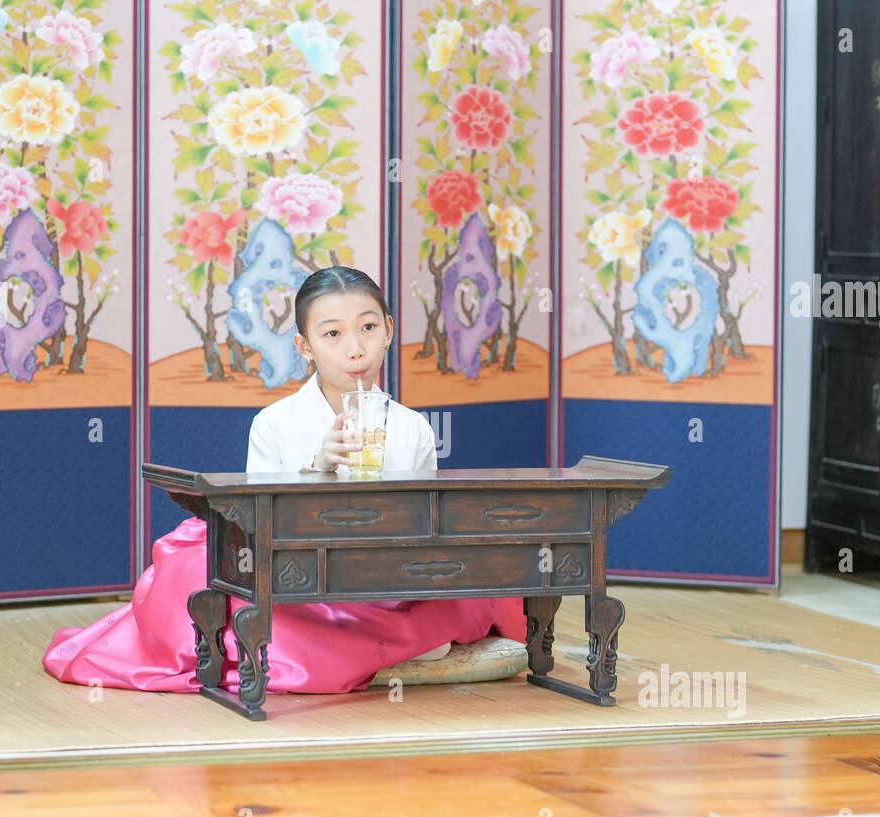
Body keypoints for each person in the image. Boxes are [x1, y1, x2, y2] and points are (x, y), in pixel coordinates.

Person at [42, 266, 527, 696]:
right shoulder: (273, 422)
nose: (355, 348)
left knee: (487, 564)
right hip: (296, 579)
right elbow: (254, 530)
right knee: (192, 562)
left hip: (381, 576)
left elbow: (423, 530)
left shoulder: (412, 426)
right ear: (305, 347)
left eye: (368, 328)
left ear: (389, 332)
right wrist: (316, 471)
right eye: (333, 334)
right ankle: (380, 646)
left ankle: (377, 639)